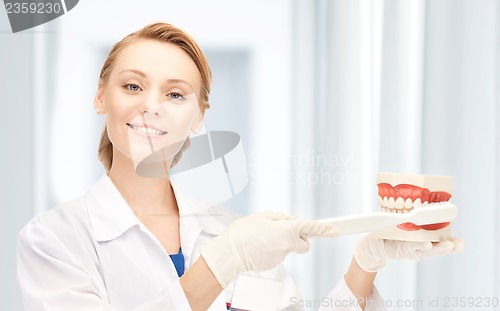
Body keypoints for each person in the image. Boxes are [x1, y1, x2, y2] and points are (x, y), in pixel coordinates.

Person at [17, 22, 463, 311]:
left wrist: (364, 265)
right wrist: (222, 264)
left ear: (199, 118)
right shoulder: (54, 240)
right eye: (133, 85)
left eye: (175, 94)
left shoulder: (235, 233)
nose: (151, 107)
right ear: (101, 97)